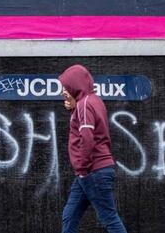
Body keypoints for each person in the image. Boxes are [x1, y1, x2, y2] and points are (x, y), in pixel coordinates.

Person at [59, 64, 128, 233]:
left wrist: (82, 169)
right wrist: (73, 109)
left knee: (110, 219)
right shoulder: (93, 101)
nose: (63, 91)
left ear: (75, 85)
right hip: (90, 171)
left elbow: (88, 138)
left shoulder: (84, 104)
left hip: (92, 171)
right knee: (70, 215)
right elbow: (85, 128)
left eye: (66, 87)